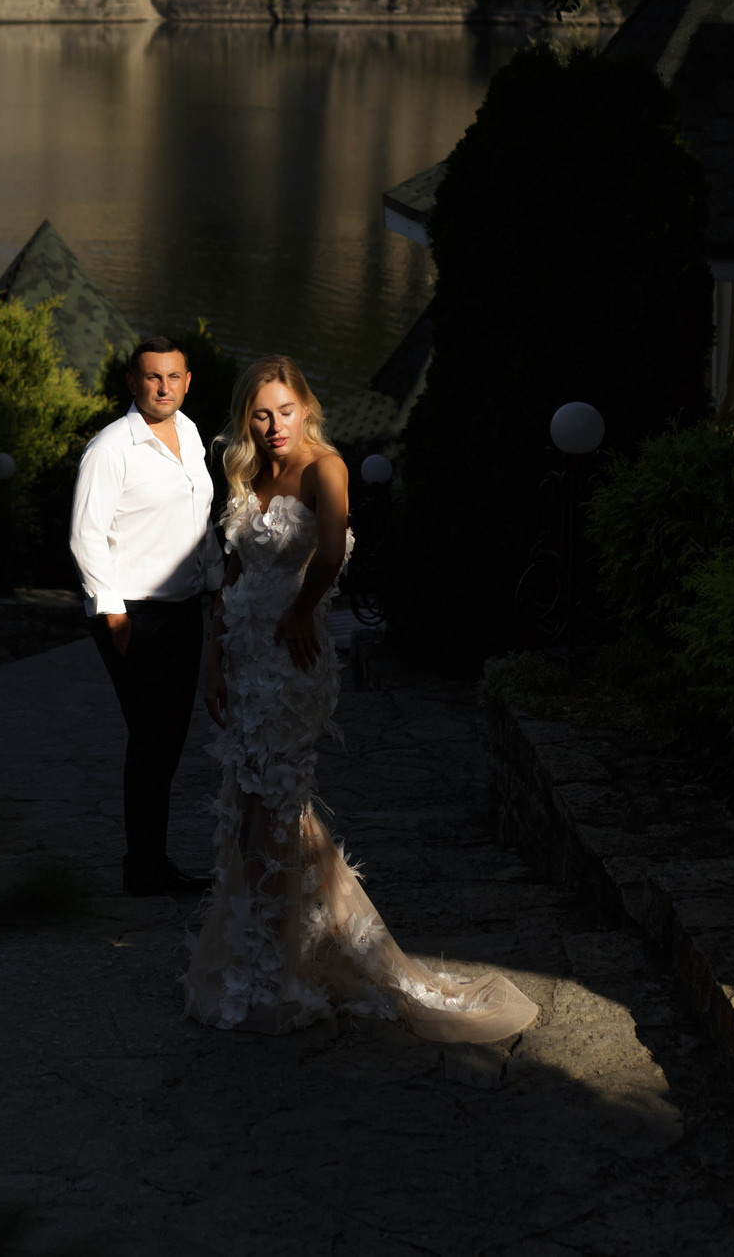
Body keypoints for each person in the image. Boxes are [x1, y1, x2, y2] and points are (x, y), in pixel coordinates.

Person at [185, 356, 539, 1043]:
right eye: (261, 414)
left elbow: (332, 548)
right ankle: (292, 946)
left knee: (274, 803)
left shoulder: (326, 467)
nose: (275, 425)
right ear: (246, 418)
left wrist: (300, 611)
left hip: (292, 663)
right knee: (249, 800)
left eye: (285, 410)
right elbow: (227, 577)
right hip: (244, 653)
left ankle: (277, 970)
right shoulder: (246, 469)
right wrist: (213, 664)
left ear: (307, 406)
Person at [70, 334, 218, 897]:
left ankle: (150, 860)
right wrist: (112, 615)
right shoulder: (111, 449)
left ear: (187, 381)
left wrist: (213, 582)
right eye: (152, 378)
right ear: (133, 383)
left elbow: (198, 521)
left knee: (169, 738)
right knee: (152, 739)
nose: (164, 387)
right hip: (132, 614)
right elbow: (85, 536)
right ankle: (145, 868)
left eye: (174, 377)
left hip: (184, 610)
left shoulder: (189, 432)